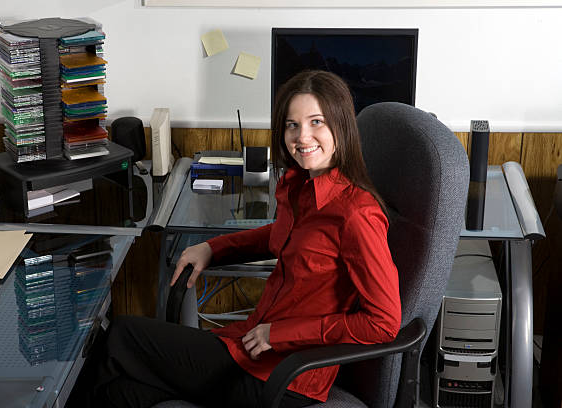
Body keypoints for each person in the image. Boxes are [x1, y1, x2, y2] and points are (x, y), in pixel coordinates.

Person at [69, 70, 401, 408]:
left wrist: (281, 334)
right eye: (292, 125)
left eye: (317, 122)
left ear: (340, 126)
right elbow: (282, 236)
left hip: (284, 379)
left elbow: (384, 324)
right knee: (122, 393)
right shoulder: (300, 184)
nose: (303, 137)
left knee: (122, 336)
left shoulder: (357, 214)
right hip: (249, 349)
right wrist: (213, 248)